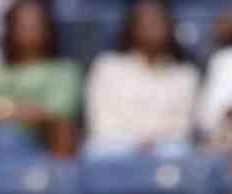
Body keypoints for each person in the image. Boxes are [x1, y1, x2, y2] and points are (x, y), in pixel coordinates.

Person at [0, 0, 81, 157]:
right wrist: (20, 111)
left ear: (47, 27)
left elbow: (58, 113)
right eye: (22, 23)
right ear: (9, 28)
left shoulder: (63, 71)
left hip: (33, 144)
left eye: (35, 23)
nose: (29, 28)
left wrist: (2, 110)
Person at [84, 0, 199, 154]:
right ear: (132, 27)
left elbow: (184, 126)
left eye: (159, 20)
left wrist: (151, 142)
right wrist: (136, 142)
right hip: (116, 148)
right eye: (146, 20)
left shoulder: (186, 75)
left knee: (180, 150)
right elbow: (100, 123)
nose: (154, 26)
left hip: (167, 149)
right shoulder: (107, 67)